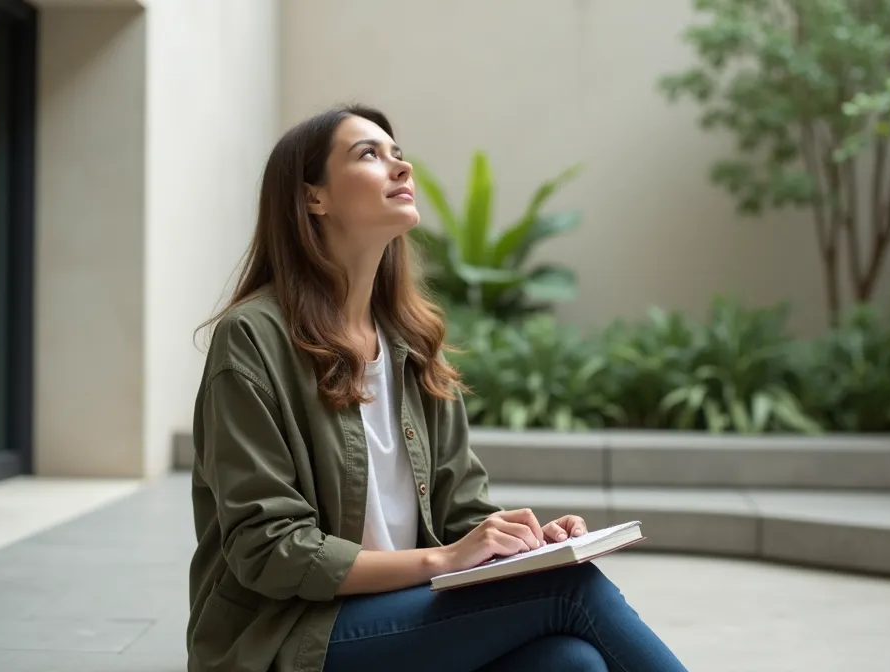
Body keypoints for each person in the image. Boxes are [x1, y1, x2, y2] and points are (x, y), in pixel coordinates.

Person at [186, 104, 688, 672]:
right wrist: (443, 561)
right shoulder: (253, 338)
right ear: (313, 198)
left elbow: (460, 512)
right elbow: (270, 550)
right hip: (291, 637)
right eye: (369, 155)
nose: (401, 168)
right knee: (572, 592)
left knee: (570, 663)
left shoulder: (411, 342)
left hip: (405, 617)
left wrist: (527, 545)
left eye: (398, 154)